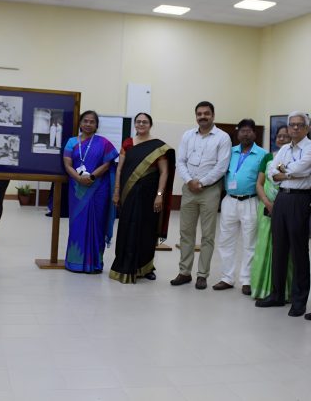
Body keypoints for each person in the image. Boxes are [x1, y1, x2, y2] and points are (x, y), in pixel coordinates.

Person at [255, 112, 311, 318]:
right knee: (278, 248)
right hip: (282, 199)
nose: (295, 128)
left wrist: (285, 172)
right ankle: (277, 294)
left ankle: (299, 301)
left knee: (298, 251)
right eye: (292, 125)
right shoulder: (284, 149)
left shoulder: (310, 148)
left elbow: (302, 168)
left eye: (299, 125)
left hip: (300, 199)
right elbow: (272, 171)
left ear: (307, 128)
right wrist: (287, 172)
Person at [171, 101, 231, 290]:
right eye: (199, 113)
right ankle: (184, 272)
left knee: (207, 235)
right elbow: (180, 161)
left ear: (213, 115)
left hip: (210, 190)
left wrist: (202, 182)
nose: (202, 116)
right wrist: (190, 181)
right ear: (195, 116)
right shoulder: (188, 135)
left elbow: (221, 166)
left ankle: (202, 275)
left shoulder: (223, 137)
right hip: (189, 189)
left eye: (206, 113)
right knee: (186, 233)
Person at [110, 113, 175, 284]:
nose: (141, 124)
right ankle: (123, 264)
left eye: (144, 122)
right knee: (126, 228)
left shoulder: (158, 147)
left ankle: (146, 267)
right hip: (128, 194)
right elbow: (119, 169)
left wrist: (159, 195)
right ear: (135, 124)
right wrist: (117, 191)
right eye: (138, 121)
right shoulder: (128, 143)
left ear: (150, 125)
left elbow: (164, 172)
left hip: (149, 196)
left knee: (146, 230)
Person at [213, 119, 266, 295]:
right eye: (242, 131)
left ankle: (247, 280)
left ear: (254, 134)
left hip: (251, 201)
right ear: (238, 134)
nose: (245, 134)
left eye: (249, 131)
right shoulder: (230, 152)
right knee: (226, 241)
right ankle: (227, 278)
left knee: (250, 242)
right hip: (230, 201)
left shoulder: (262, 154)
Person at [63, 110, 118, 273]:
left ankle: (94, 262)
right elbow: (67, 164)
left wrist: (92, 176)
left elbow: (108, 164)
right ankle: (75, 262)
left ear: (96, 125)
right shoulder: (71, 142)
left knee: (97, 224)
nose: (88, 124)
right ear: (80, 123)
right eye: (85, 121)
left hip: (98, 189)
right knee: (77, 223)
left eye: (92, 122)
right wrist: (79, 178)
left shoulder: (104, 143)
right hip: (77, 189)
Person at [251, 125, 292, 300]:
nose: (281, 139)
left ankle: (287, 291)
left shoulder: (296, 159)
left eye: (285, 136)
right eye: (279, 136)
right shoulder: (268, 157)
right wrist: (267, 203)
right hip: (267, 207)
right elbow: (259, 184)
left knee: (286, 249)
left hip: (287, 207)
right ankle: (263, 289)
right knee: (264, 245)